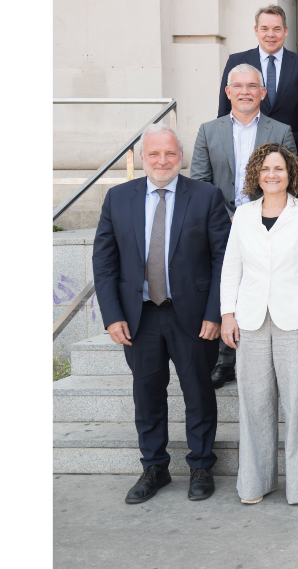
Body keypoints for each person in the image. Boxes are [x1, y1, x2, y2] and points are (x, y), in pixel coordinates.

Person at [91, 124, 230, 504]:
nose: (163, 160)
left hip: (194, 316)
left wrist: (215, 313)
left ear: (180, 156)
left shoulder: (206, 196)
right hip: (139, 318)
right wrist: (112, 315)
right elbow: (104, 263)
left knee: (198, 393)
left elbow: (224, 259)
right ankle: (155, 467)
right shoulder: (118, 198)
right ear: (142, 158)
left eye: (170, 153)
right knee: (147, 394)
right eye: (154, 154)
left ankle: (201, 465)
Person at [219, 143, 298, 505]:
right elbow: (231, 267)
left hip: (295, 320)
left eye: (279, 168)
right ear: (256, 174)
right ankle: (255, 483)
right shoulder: (243, 215)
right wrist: (227, 314)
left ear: (290, 173)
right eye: (265, 168)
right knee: (254, 405)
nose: (272, 174)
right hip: (250, 319)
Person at [192, 64, 297, 389]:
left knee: (260, 285)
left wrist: (254, 214)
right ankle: (225, 361)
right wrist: (224, 216)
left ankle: (265, 359)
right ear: (228, 92)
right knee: (226, 285)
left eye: (252, 86)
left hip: (266, 222)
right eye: (238, 86)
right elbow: (199, 181)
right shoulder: (208, 131)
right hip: (220, 223)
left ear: (263, 92)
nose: (245, 92)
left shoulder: (281, 131)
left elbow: (290, 179)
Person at [218, 5, 298, 155]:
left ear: (285, 31)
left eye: (277, 29)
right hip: (244, 148)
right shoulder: (236, 61)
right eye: (264, 29)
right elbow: (225, 109)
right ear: (256, 30)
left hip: (290, 150)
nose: (270, 34)